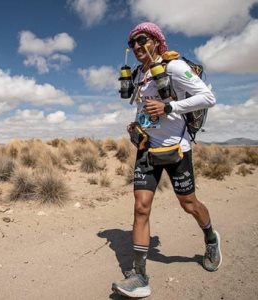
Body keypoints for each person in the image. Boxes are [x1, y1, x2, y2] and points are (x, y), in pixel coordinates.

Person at [112, 22, 222, 298]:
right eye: (133, 44)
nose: (137, 47)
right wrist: (136, 125)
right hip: (147, 149)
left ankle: (210, 238)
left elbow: (208, 97)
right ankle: (139, 276)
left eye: (142, 40)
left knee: (189, 204)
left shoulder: (173, 67)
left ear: (156, 40)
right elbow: (144, 106)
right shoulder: (139, 74)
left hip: (176, 150)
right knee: (141, 207)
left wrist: (169, 106)